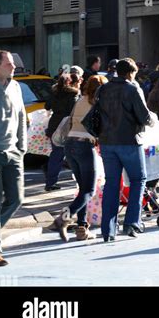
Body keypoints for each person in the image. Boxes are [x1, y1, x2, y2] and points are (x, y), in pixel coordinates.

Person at [97, 57, 156, 241]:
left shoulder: (103, 88)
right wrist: (153, 120)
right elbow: (144, 115)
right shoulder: (132, 88)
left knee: (112, 184)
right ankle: (131, 223)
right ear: (131, 73)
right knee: (138, 179)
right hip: (129, 140)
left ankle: (107, 229)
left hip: (107, 141)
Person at [53, 75, 108, 242]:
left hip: (70, 144)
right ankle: (63, 218)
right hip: (85, 145)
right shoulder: (99, 104)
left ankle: (81, 228)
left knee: (82, 188)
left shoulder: (80, 100)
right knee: (89, 190)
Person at [0, 50, 27, 266]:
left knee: (16, 198)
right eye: (9, 64)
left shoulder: (15, 86)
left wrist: (22, 147)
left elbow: (22, 114)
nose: (14, 67)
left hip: (13, 152)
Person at [44, 72, 79, 192]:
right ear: (69, 82)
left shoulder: (54, 93)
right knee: (72, 154)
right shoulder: (73, 94)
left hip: (54, 125)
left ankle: (50, 181)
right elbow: (73, 111)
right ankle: (81, 182)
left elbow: (47, 106)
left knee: (56, 154)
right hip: (66, 127)